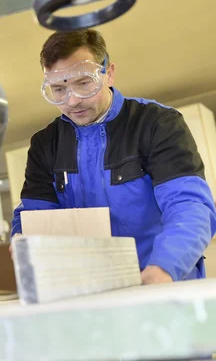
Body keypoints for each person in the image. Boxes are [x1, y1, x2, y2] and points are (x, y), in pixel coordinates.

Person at [11, 29, 216, 284]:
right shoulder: (45, 145)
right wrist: (21, 238)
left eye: (84, 83)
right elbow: (37, 218)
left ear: (108, 73)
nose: (73, 100)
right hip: (88, 293)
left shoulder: (156, 123)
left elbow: (189, 205)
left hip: (163, 283)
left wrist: (163, 268)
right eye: (58, 89)